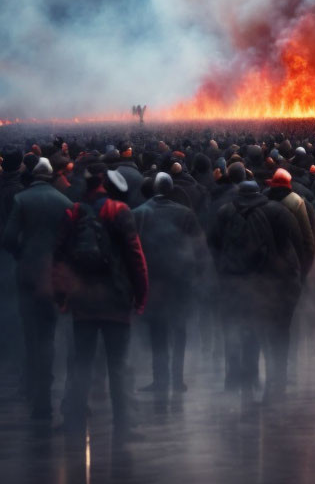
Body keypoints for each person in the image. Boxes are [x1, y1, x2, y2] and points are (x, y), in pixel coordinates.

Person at [53, 162, 148, 440]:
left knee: (81, 363)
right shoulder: (119, 212)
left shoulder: (73, 213)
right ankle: (124, 426)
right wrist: (140, 296)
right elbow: (135, 258)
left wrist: (62, 297)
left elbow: (58, 258)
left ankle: (73, 420)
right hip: (116, 302)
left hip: (82, 301)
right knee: (119, 366)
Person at [209, 180, 311, 402]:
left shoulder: (225, 213)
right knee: (278, 337)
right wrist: (297, 276)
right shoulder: (279, 212)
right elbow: (299, 244)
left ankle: (247, 384)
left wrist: (225, 277)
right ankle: (277, 385)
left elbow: (213, 247)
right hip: (276, 285)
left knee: (247, 334)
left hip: (239, 285)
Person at [1, 157, 73, 419]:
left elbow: (8, 238)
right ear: (52, 175)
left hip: (28, 276)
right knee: (49, 335)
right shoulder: (64, 202)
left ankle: (34, 390)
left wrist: (23, 255)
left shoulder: (22, 200)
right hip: (52, 276)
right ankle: (45, 392)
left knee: (30, 333)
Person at [133, 172, 207, 395]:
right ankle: (177, 379)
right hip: (180, 281)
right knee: (179, 331)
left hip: (154, 281)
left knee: (158, 332)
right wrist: (197, 276)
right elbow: (199, 249)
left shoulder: (139, 213)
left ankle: (160, 379)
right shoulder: (185, 213)